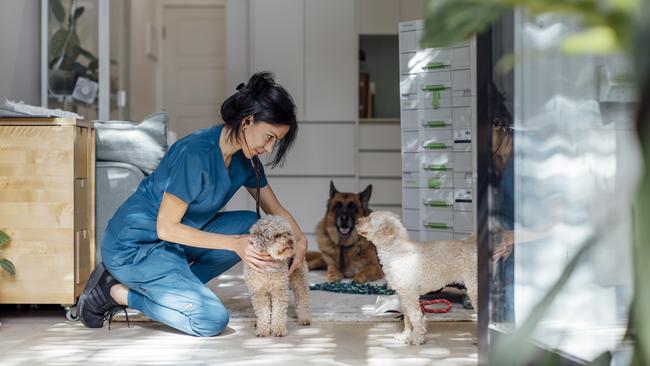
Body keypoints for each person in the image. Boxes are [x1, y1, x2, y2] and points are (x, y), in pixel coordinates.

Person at [77, 72, 306, 337]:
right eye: (269, 137)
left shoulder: (246, 160)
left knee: (252, 226)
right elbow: (166, 229)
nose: (269, 148)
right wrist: (234, 244)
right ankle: (115, 291)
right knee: (210, 319)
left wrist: (300, 240)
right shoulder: (195, 153)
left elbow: (275, 210)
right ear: (247, 121)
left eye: (275, 142)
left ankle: (173, 288)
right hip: (137, 246)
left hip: (175, 242)